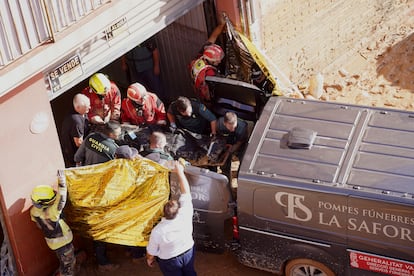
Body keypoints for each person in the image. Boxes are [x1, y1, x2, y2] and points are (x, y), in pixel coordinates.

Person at [73, 120, 121, 272]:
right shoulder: (114, 148)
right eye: (118, 134)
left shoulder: (90, 137)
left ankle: (103, 248)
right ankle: (102, 261)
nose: (119, 136)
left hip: (88, 187)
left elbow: (77, 158)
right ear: (112, 135)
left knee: (95, 220)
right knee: (101, 223)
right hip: (103, 191)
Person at [146, 161, 196, 276]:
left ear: (163, 213)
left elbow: (151, 251)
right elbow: (186, 191)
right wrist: (180, 172)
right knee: (190, 272)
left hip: (169, 260)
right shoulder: (185, 213)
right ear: (178, 210)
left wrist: (149, 259)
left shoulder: (157, 231)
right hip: (188, 251)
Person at [30, 170, 75, 276]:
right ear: (44, 203)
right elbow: (62, 199)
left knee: (63, 261)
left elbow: (38, 224)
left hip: (53, 243)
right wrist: (62, 181)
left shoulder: (33, 212)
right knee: (68, 266)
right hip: (63, 244)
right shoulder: (51, 213)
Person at [190, 21, 226, 104]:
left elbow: (213, 36)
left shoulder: (201, 56)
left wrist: (222, 24)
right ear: (210, 61)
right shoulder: (210, 73)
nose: (219, 61)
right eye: (216, 60)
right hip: (206, 96)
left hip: (196, 86)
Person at [121, 36, 164, 101]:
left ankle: (160, 103)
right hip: (135, 69)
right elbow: (122, 51)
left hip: (148, 68)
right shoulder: (126, 38)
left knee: (156, 88)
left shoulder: (145, 36)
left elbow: (155, 51)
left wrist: (156, 66)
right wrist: (123, 63)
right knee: (140, 90)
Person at [60, 93, 91, 168]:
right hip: (74, 155)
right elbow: (79, 143)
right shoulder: (76, 121)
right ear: (77, 108)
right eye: (86, 107)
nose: (89, 108)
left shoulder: (81, 112)